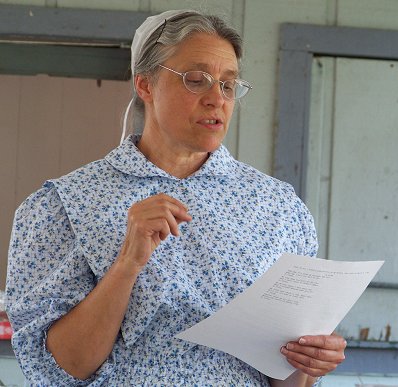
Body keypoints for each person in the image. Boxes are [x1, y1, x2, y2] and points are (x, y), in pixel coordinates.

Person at [5, 9, 346, 386]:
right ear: (145, 85)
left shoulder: (279, 209)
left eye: (228, 85)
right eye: (196, 80)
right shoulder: (63, 205)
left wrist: (307, 360)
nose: (217, 99)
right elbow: (59, 368)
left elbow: (284, 379)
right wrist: (127, 263)